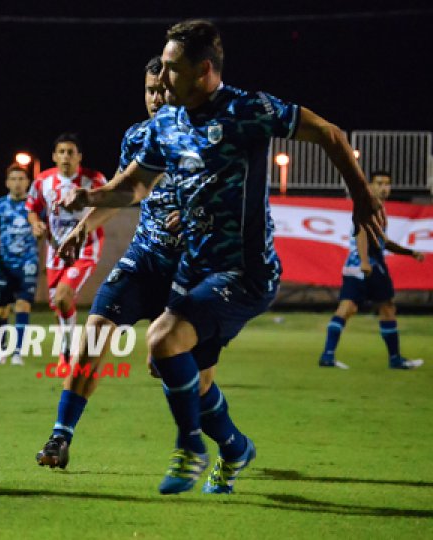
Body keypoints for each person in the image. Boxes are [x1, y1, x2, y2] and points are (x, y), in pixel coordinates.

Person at [59, 20, 384, 495]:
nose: (162, 79)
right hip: (194, 270)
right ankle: (233, 450)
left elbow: (330, 134)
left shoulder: (248, 109)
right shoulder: (167, 123)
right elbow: (135, 185)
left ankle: (191, 447)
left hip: (245, 271)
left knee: (164, 341)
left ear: (203, 71)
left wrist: (361, 196)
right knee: (174, 362)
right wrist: (89, 200)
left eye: (171, 69)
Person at [36, 56, 180, 468]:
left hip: (190, 267)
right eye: (151, 90)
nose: (157, 98)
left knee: (170, 364)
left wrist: (193, 213)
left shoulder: (205, 135)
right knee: (93, 338)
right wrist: (83, 226)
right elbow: (122, 191)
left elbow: (229, 192)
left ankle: (207, 445)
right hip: (143, 258)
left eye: (165, 90)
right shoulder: (137, 136)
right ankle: (59, 438)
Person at [319, 171, 425, 370]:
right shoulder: (368, 204)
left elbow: (382, 241)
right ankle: (395, 359)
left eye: (387, 184)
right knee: (386, 307)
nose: (384, 188)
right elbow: (361, 232)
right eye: (379, 183)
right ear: (371, 185)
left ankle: (328, 355)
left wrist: (409, 252)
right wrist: (366, 261)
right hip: (368, 264)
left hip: (355, 264)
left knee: (350, 307)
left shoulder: (376, 206)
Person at [26, 133, 107, 364]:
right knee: (59, 305)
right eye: (61, 152)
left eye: (70, 152)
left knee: (63, 296)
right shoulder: (42, 181)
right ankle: (67, 347)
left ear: (79, 156)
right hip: (55, 251)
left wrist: (85, 227)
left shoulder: (94, 180)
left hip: (85, 248)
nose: (65, 157)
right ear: (53, 156)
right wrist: (36, 224)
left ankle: (69, 354)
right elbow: (32, 208)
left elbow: (107, 208)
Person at [0, 164, 38, 366]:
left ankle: (17, 353)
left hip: (28, 263)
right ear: (7, 183)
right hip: (4, 264)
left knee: (23, 305)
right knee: (1, 310)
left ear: (28, 182)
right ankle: (1, 350)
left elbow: (45, 230)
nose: (17, 183)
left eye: (21, 179)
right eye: (13, 179)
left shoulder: (35, 206)